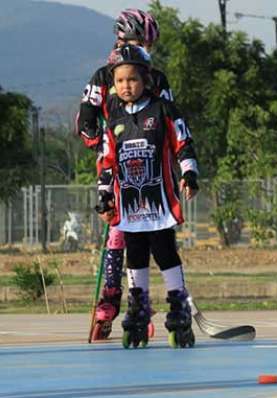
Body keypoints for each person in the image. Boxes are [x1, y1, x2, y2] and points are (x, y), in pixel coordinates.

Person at [78, 9, 173, 340]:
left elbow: (170, 119)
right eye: (139, 42)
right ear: (121, 39)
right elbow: (86, 119)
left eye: (149, 44)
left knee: (153, 233)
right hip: (115, 160)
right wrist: (100, 145)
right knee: (120, 228)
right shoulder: (104, 76)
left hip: (149, 164)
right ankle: (111, 297)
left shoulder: (155, 77)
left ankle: (142, 300)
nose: (145, 49)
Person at [96, 44, 199, 349]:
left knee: (165, 252)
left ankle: (178, 304)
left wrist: (189, 174)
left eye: (132, 79)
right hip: (129, 204)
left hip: (159, 201)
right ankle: (138, 306)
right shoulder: (112, 116)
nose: (126, 86)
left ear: (146, 80)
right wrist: (104, 196)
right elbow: (107, 160)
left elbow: (184, 144)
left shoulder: (163, 109)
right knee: (135, 256)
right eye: (120, 81)